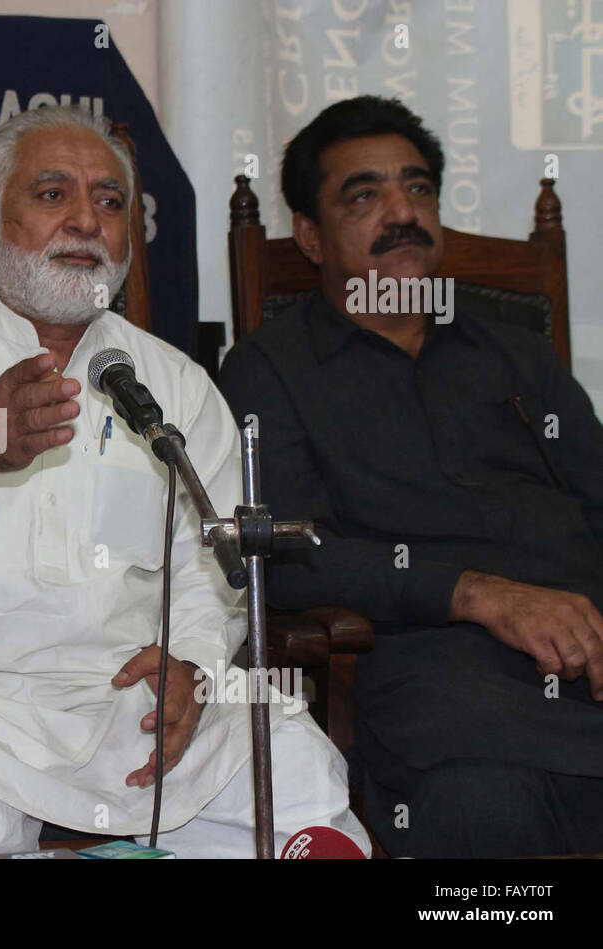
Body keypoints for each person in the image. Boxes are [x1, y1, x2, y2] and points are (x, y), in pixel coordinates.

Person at [0, 105, 367, 858]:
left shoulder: (172, 384)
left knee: (301, 776)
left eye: (110, 201)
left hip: (131, 695)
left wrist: (191, 655)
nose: (87, 221)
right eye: (54, 195)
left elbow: (211, 556)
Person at [218, 95, 603, 857]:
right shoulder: (270, 370)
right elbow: (284, 553)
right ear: (310, 236)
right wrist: (476, 593)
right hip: (443, 675)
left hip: (587, 649)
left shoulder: (516, 355)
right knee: (486, 805)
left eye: (418, 188)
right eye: (364, 195)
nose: (403, 211)